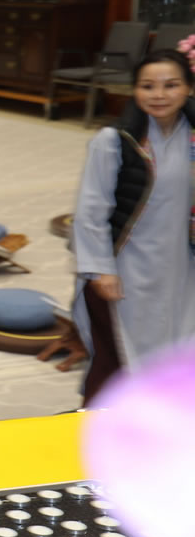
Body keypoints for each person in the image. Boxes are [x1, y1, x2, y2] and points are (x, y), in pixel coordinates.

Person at [70, 49, 195, 404]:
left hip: (181, 264)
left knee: (179, 345)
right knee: (121, 357)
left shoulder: (192, 136)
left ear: (189, 88)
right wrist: (101, 270)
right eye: (147, 86)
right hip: (126, 264)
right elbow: (90, 210)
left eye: (171, 85)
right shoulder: (115, 140)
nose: (159, 95)